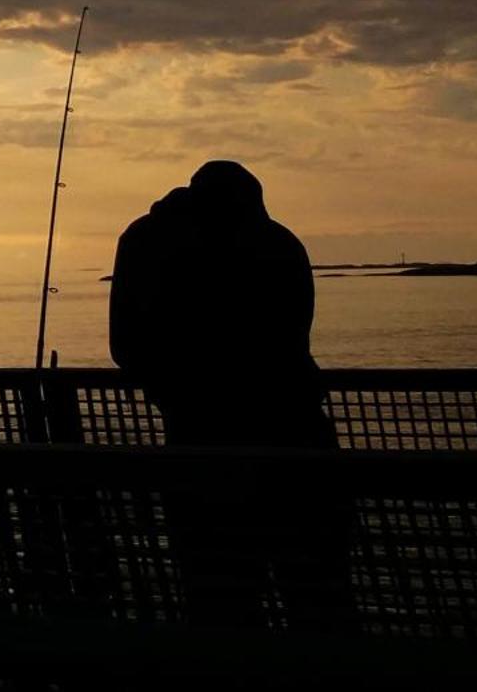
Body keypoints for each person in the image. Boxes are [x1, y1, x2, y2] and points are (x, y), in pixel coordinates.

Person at [109, 160, 353, 632]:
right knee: (320, 600)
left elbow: (127, 349)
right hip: (301, 447)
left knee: (220, 601)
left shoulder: (156, 245)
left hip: (200, 451)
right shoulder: (281, 244)